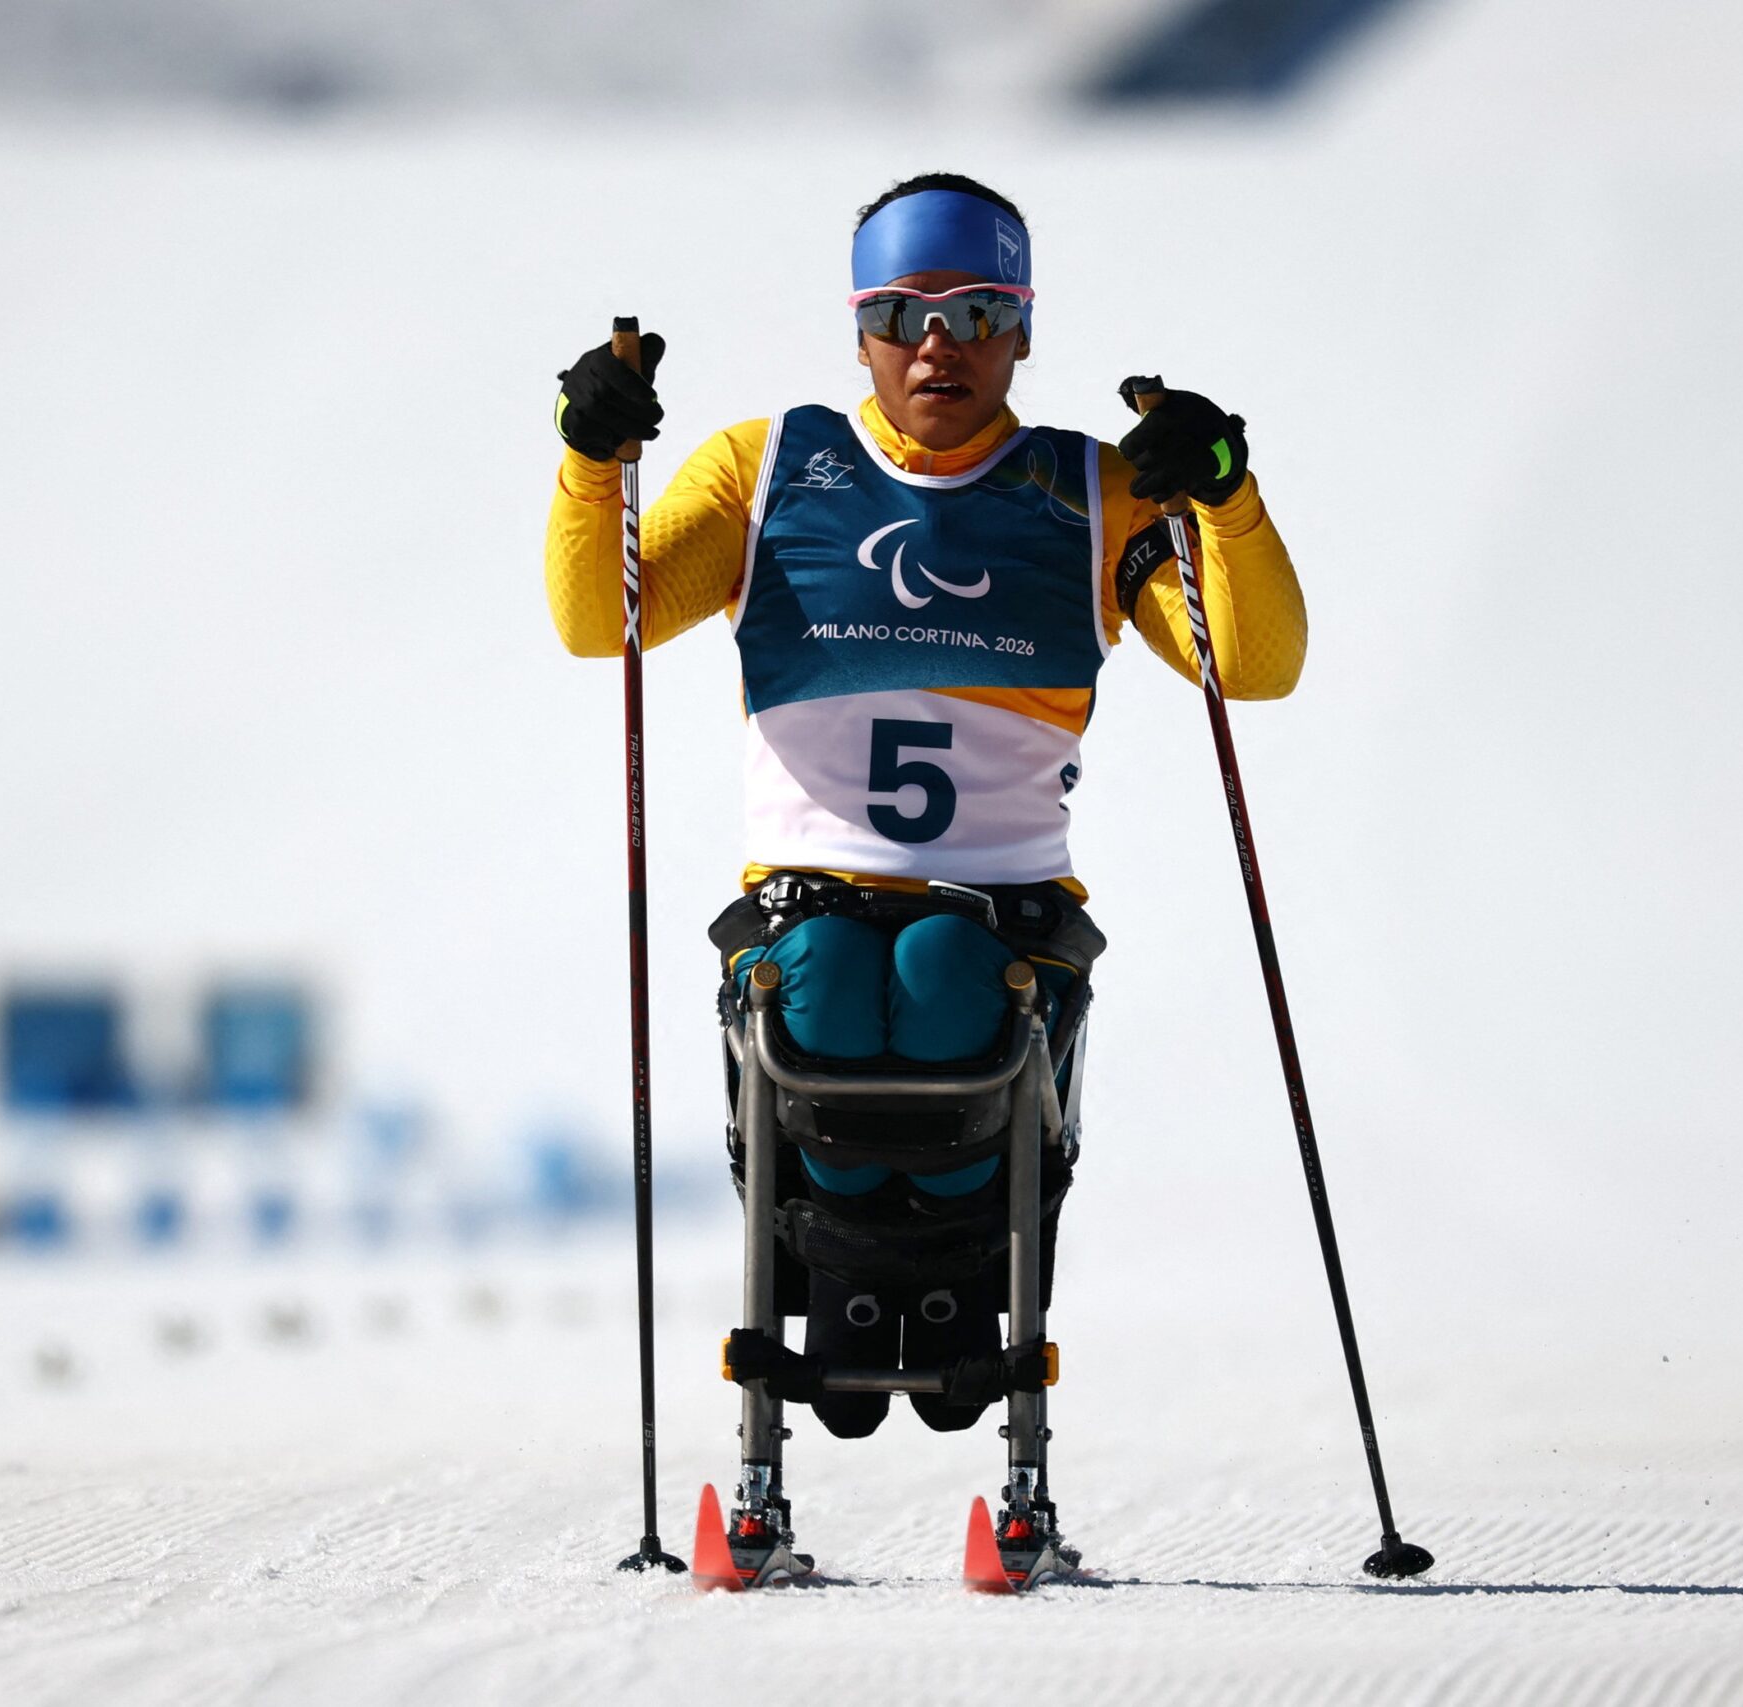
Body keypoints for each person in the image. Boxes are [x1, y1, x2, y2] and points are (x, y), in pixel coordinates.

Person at [544, 171, 1306, 1440]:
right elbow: (598, 623)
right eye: (901, 315)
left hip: (1001, 911)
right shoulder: (767, 468)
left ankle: (947, 1295)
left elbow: (1253, 664)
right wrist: (590, 460)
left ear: (1022, 328)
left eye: (973, 311)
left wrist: (1222, 494)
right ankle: (848, 1281)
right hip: (811, 897)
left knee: (951, 968)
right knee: (831, 978)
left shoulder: (1098, 489)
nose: (935, 345)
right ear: (860, 332)